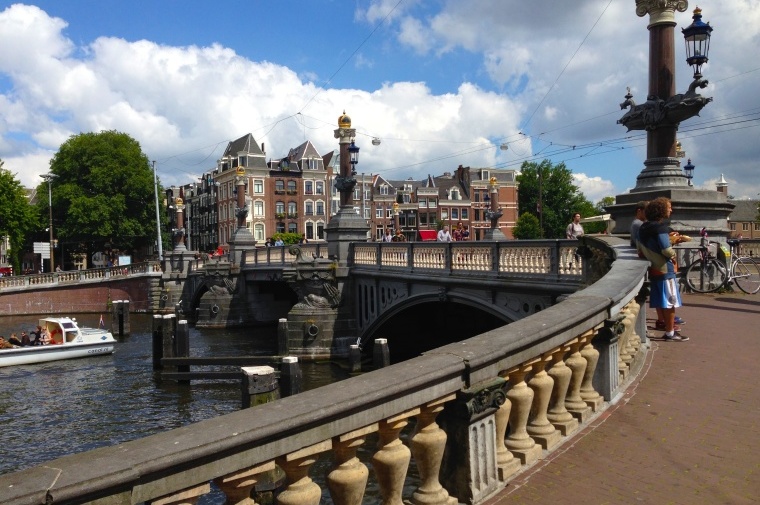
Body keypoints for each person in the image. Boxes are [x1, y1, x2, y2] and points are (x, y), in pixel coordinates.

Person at [637, 197, 688, 342]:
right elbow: (666, 249)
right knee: (670, 301)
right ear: (661, 210)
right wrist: (673, 254)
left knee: (661, 300)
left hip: (653, 269)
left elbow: (640, 250)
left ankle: (666, 328)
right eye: (669, 207)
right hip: (665, 269)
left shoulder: (643, 228)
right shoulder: (660, 228)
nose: (671, 209)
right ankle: (670, 333)